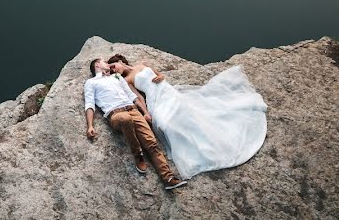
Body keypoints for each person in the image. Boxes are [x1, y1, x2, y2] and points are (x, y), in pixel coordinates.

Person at [107, 54, 267, 179]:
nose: (114, 71)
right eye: (112, 71)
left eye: (113, 67)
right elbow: (139, 98)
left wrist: (161, 76)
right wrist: (145, 112)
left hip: (166, 90)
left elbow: (158, 74)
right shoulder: (127, 81)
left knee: (188, 112)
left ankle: (207, 137)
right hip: (154, 97)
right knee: (164, 123)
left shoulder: (142, 64)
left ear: (120, 61)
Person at [84, 57, 188, 190]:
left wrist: (144, 112)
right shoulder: (91, 82)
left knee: (152, 143)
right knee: (125, 119)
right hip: (115, 114)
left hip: (133, 110)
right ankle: (137, 154)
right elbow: (89, 104)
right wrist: (90, 126)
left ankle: (168, 178)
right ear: (98, 65)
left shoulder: (116, 77)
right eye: (105, 62)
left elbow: (131, 96)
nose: (108, 64)